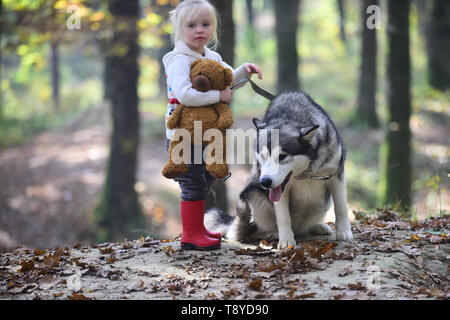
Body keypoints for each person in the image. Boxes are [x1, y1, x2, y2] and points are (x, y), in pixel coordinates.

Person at [162, 0, 262, 250]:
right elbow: (185, 95)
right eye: (192, 25)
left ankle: (198, 227)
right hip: (182, 135)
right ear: (179, 30)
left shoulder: (212, 56)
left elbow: (227, 79)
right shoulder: (179, 60)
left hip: (205, 136)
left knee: (206, 178)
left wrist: (244, 71)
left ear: (213, 28)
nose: (199, 30)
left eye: (205, 24)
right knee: (192, 182)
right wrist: (218, 97)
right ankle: (190, 234)